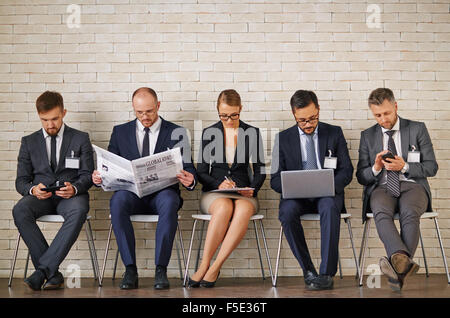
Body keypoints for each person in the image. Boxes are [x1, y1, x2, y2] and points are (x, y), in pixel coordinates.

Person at [92, 87, 197, 290]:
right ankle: (130, 269)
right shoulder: (119, 132)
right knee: (117, 201)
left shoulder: (177, 132)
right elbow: (109, 166)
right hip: (131, 194)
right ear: (133, 109)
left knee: (169, 201)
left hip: (162, 194)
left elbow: (189, 167)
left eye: (149, 111)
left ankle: (161, 269)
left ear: (158, 106)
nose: (145, 117)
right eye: (139, 112)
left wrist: (190, 179)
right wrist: (99, 177)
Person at [356, 88, 438, 291]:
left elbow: (432, 166)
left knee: (410, 213)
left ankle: (396, 268)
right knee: (380, 213)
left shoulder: (417, 129)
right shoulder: (367, 136)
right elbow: (361, 176)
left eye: (386, 113)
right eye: (377, 115)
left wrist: (405, 167)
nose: (383, 119)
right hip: (382, 186)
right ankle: (401, 265)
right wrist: (375, 167)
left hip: (413, 185)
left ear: (395, 107)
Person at [270, 90, 353, 290]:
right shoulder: (283, 138)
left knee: (330, 207)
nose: (308, 124)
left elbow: (347, 170)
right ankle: (308, 270)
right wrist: (292, 186)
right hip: (297, 197)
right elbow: (274, 179)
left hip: (327, 193)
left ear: (318, 109)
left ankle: (326, 274)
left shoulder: (334, 132)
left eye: (313, 118)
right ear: (294, 115)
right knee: (287, 213)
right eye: (302, 120)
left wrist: (329, 185)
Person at [13, 91, 94, 291]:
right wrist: (33, 189)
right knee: (20, 210)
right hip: (41, 197)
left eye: (55, 119)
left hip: (71, 197)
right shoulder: (28, 142)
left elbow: (88, 175)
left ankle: (41, 271)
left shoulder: (81, 138)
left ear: (64, 112)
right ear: (39, 116)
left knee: (78, 211)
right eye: (45, 120)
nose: (50, 125)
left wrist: (75, 188)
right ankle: (51, 273)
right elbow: (21, 181)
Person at [187, 89, 266, 288]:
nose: (229, 120)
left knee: (244, 209)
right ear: (218, 112)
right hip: (215, 192)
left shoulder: (252, 133)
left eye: (234, 115)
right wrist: (217, 184)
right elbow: (202, 172)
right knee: (224, 207)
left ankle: (215, 267)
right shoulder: (209, 133)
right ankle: (204, 265)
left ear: (241, 109)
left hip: (243, 192)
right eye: (223, 116)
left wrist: (253, 188)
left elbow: (260, 171)